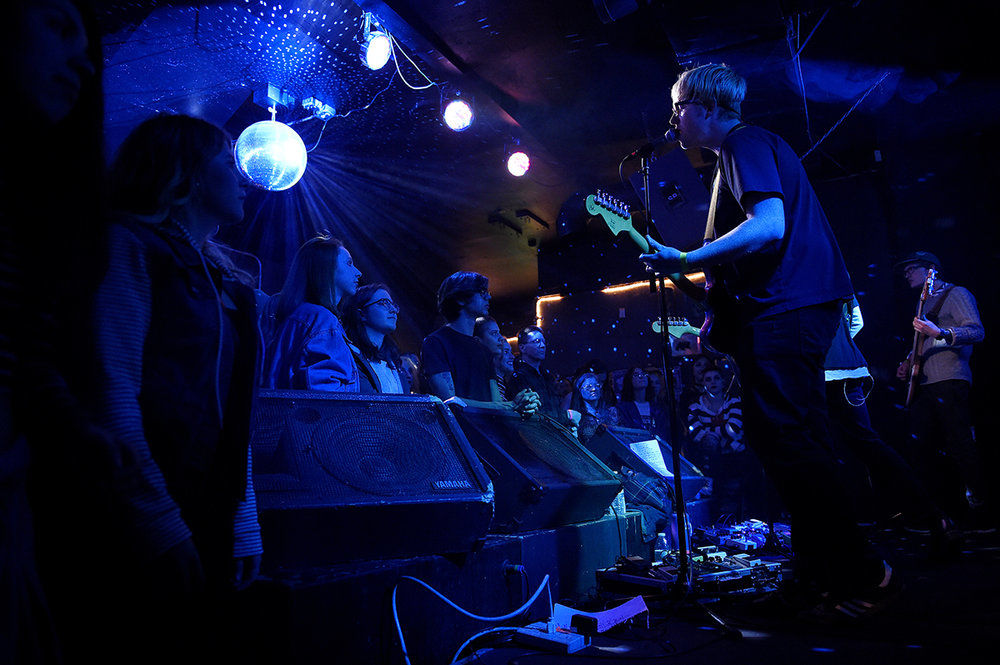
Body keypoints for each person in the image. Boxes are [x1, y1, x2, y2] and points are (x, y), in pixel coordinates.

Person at [640, 63, 891, 614]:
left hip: (786, 309)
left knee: (785, 436)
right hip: (790, 308)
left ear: (704, 107)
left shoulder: (742, 142)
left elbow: (769, 225)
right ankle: (820, 569)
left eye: (678, 108)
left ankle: (858, 566)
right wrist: (715, 309)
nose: (674, 121)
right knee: (799, 437)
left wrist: (683, 256)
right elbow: (751, 251)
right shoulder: (746, 151)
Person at [92, 114, 263, 658]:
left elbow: (235, 415)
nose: (242, 177)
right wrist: (158, 521)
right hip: (138, 519)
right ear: (186, 173)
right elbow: (110, 394)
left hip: (202, 511)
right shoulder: (129, 246)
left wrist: (243, 518)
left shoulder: (218, 277)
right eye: (227, 161)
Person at [894, 251, 988, 529]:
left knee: (960, 445)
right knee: (923, 448)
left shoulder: (956, 294)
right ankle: (941, 514)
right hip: (925, 382)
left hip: (949, 378)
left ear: (931, 270)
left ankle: (980, 510)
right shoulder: (923, 302)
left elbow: (976, 331)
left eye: (912, 269)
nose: (906, 274)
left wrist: (942, 333)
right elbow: (922, 343)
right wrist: (908, 362)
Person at [421, 272, 538, 415]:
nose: (488, 296)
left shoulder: (484, 351)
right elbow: (450, 402)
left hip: (487, 433)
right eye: (482, 292)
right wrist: (510, 405)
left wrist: (519, 405)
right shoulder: (436, 343)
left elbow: (497, 404)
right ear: (460, 299)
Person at [262, 235, 362, 392]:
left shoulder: (299, 315)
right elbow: (325, 399)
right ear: (326, 267)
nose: (358, 272)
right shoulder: (322, 319)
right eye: (349, 263)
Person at [342, 283, 409, 394]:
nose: (393, 310)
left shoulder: (393, 363)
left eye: (393, 304)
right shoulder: (349, 356)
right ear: (362, 313)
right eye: (384, 303)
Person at [508, 325, 569, 425]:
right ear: (522, 348)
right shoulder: (519, 376)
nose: (542, 345)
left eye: (544, 342)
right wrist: (567, 416)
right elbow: (531, 413)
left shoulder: (546, 376)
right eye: (537, 341)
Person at [617, 367, 668, 439]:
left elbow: (663, 432)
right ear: (629, 380)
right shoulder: (623, 408)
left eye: (644, 374)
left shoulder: (657, 408)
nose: (641, 377)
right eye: (636, 375)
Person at [569, 372, 620, 443]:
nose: (594, 389)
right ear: (579, 390)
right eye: (588, 387)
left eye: (597, 385)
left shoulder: (609, 412)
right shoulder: (578, 416)